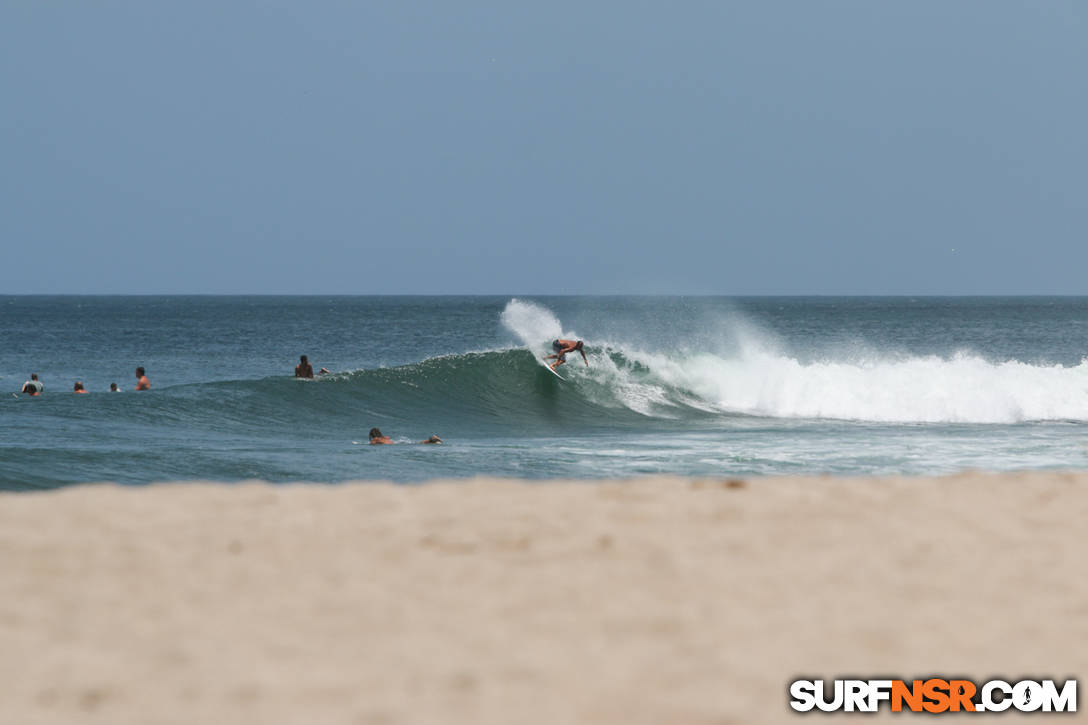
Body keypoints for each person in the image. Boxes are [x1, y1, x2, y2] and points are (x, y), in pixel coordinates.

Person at [369, 428, 443, 445]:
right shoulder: (385, 437)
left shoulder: (375, 439)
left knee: (416, 443)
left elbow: (372, 443)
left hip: (393, 445)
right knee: (416, 443)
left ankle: (431, 440)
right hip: (394, 443)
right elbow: (387, 438)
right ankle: (431, 439)